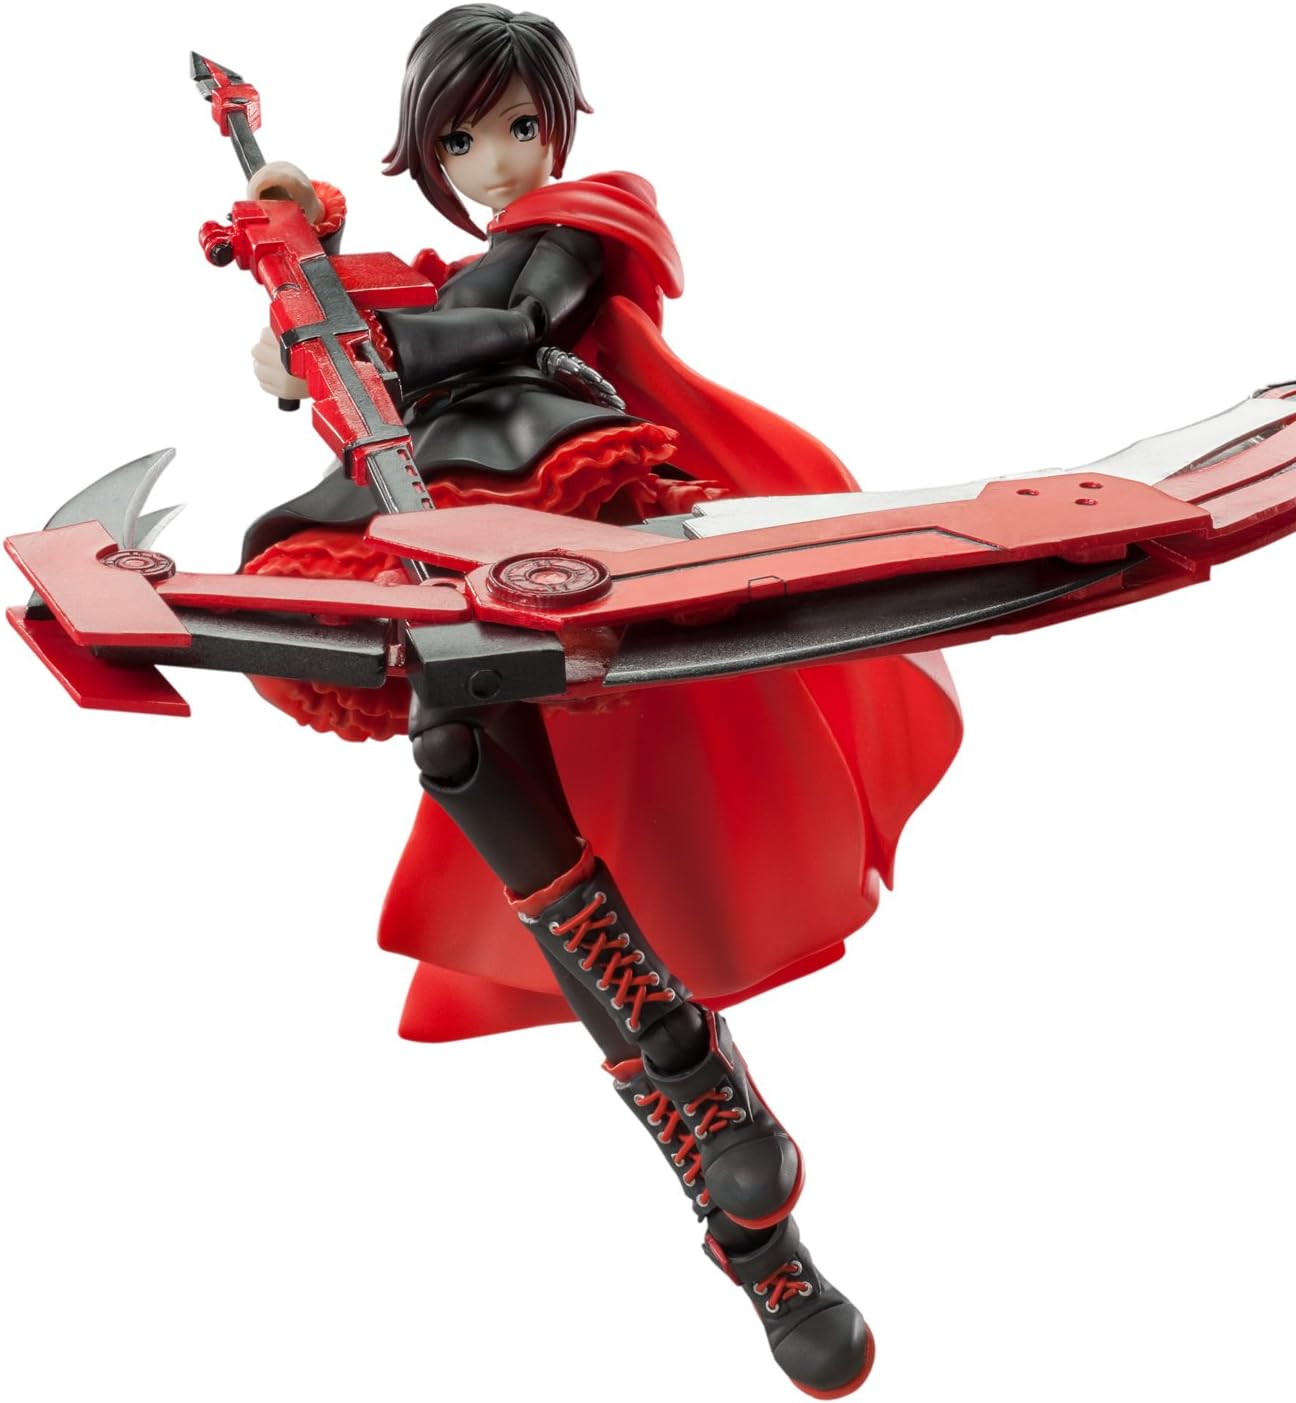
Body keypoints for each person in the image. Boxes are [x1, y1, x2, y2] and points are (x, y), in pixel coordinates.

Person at [239, 8, 961, 1393]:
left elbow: (514, 321)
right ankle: (718, 1135)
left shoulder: (589, 216)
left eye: (518, 127)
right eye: (461, 142)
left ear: (559, 125)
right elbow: (364, 343)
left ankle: (710, 1112)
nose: (497, 162)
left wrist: (362, 323)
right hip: (432, 506)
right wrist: (299, 290)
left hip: (555, 483)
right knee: (456, 753)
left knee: (483, 744)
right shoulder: (445, 266)